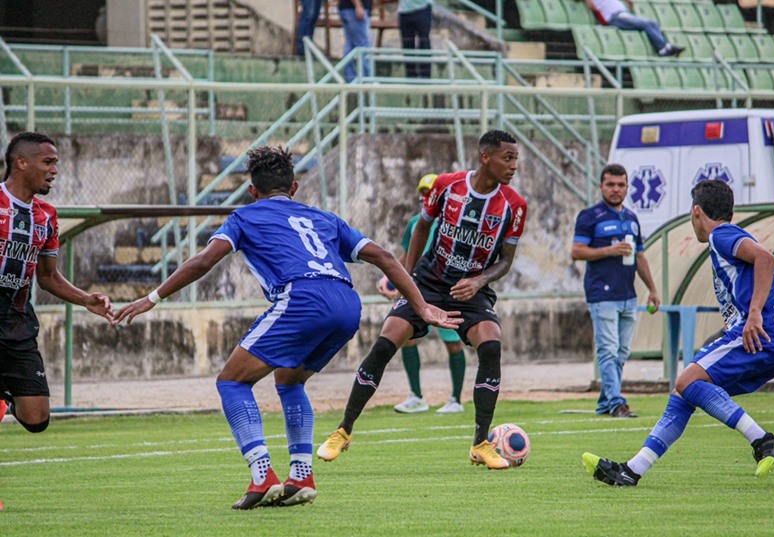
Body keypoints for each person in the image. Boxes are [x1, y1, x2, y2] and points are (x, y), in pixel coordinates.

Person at [113, 145, 460, 509]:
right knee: (289, 379)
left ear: (252, 190)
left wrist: (150, 298)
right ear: (294, 188)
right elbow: (385, 257)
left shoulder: (244, 216)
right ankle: (301, 475)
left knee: (231, 381)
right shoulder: (325, 218)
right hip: (346, 302)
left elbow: (203, 261)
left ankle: (262, 475)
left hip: (302, 297)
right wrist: (420, 306)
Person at [317, 130, 528, 470]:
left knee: (491, 346)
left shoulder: (514, 206)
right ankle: (343, 431)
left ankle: (481, 444)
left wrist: (479, 280)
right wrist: (406, 281)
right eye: (508, 158)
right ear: (485, 157)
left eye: (516, 159)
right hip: (427, 282)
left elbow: (505, 260)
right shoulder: (447, 186)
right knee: (385, 343)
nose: (513, 165)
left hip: (471, 291)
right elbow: (420, 230)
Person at [583, 179, 774, 486]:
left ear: (697, 211)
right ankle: (632, 470)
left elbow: (766, 259)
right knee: (685, 392)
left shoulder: (721, 235)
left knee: (686, 380)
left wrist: (756, 317)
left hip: (756, 331)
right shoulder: (736, 242)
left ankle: (762, 439)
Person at [0, 132, 114, 432]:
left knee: (37, 419)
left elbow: (48, 276)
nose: (55, 170)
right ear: (21, 163)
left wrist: (86, 299)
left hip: (16, 320)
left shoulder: (46, 216)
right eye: (48, 162)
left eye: (56, 163)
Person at [571, 163, 660, 418]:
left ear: (627, 187)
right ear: (601, 186)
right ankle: (617, 402)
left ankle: (605, 403)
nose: (615, 189)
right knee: (608, 349)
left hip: (627, 294)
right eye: (610, 184)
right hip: (602, 293)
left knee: (621, 352)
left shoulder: (631, 218)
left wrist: (652, 289)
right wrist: (608, 251)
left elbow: (640, 256)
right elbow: (576, 251)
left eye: (620, 185)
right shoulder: (590, 216)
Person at [376, 173, 466, 414]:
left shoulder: (456, 223)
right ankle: (416, 396)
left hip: (447, 288)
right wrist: (392, 280)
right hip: (419, 287)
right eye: (423, 194)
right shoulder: (417, 222)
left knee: (453, 343)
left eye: (430, 193)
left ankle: (456, 399)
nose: (426, 198)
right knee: (408, 338)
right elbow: (407, 255)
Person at [586, 0, 685, 57]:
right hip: (613, 18)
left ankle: (666, 46)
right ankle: (662, 49)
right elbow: (591, 6)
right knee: (645, 24)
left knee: (653, 23)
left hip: (623, 14)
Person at [398, 0, 433, 78]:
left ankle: (426, 80)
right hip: (404, 11)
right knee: (407, 47)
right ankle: (411, 80)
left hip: (423, 8)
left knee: (424, 45)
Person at [339, 0, 372, 82]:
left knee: (350, 44)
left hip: (348, 9)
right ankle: (367, 79)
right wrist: (358, 5)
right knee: (363, 45)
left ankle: (351, 79)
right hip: (354, 9)